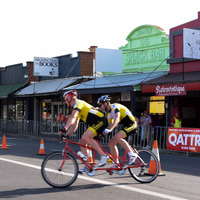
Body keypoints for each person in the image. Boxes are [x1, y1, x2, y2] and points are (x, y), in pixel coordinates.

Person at [59, 90, 109, 168]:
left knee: (86, 137)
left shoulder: (79, 103)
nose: (65, 102)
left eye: (65, 99)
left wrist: (65, 128)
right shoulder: (76, 109)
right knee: (82, 142)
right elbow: (74, 126)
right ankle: (88, 165)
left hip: (101, 121)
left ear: (69, 98)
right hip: (95, 123)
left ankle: (103, 155)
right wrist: (67, 135)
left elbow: (73, 117)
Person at [97, 95, 138, 166]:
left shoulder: (115, 107)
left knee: (118, 137)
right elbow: (109, 125)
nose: (100, 107)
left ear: (106, 103)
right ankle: (116, 163)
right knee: (111, 143)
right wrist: (100, 134)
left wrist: (109, 129)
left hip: (132, 125)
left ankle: (132, 155)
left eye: (100, 105)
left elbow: (117, 119)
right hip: (126, 126)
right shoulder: (109, 114)